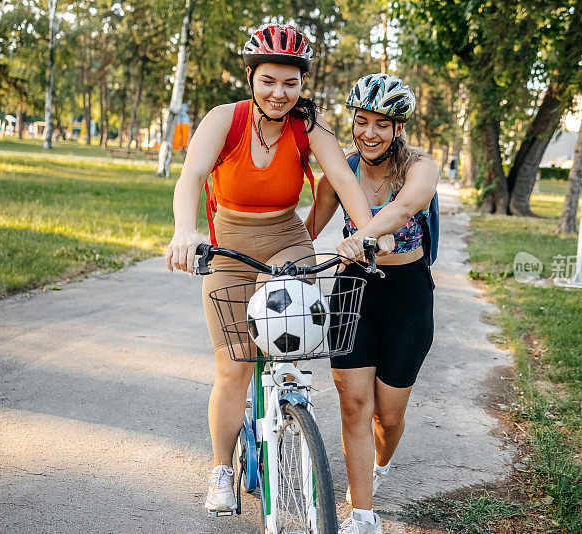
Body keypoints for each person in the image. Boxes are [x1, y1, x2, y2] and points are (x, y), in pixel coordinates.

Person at [164, 24, 390, 514]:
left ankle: (289, 412)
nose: (279, 93)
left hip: (287, 242)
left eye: (290, 83)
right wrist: (185, 230)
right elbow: (192, 176)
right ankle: (222, 470)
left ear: (302, 85)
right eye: (269, 80)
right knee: (234, 368)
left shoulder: (306, 129)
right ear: (251, 77)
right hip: (229, 249)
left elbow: (344, 181)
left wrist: (368, 230)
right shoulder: (225, 119)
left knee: (289, 347)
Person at [304, 73, 439, 534]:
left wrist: (361, 235)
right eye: (362, 122)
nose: (369, 133)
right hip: (352, 293)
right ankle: (363, 516)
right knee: (353, 404)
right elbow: (307, 233)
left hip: (408, 297)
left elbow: (404, 210)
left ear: (398, 128)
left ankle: (379, 464)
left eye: (382, 124)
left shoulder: (421, 165)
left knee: (389, 414)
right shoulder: (341, 173)